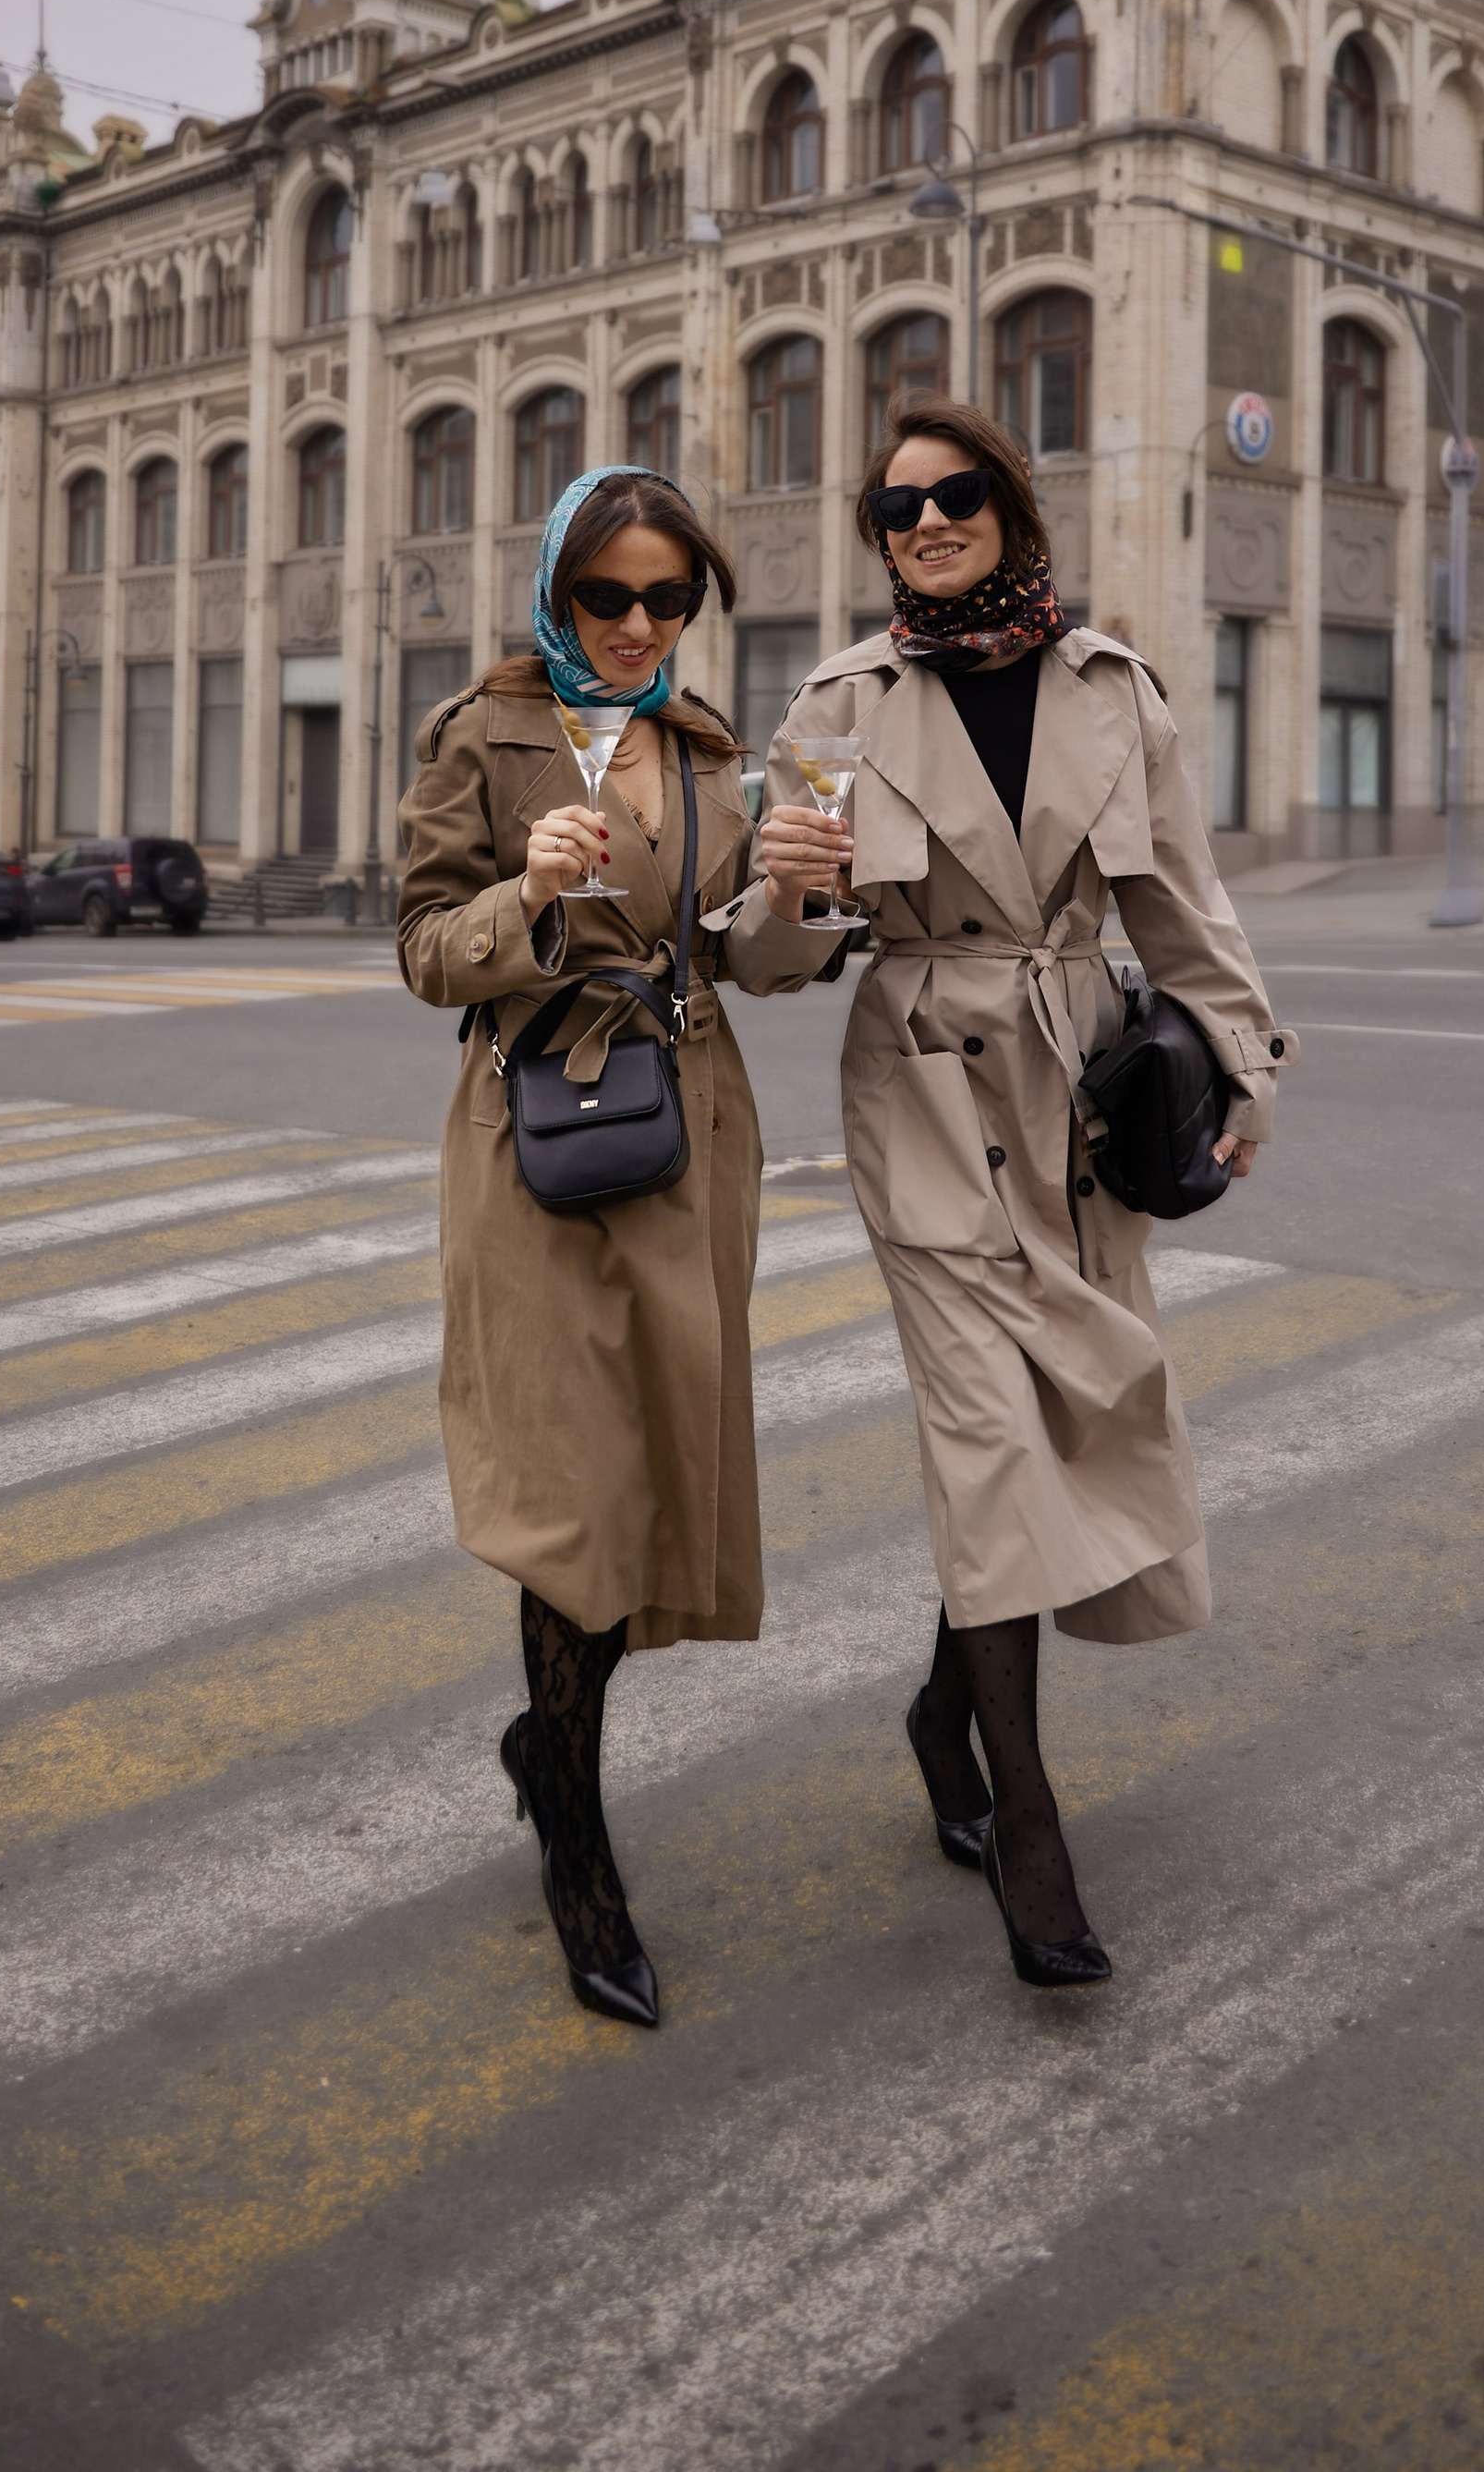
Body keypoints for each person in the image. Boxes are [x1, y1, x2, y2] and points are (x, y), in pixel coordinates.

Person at [771, 399, 1294, 1987]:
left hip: (1076, 1093)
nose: (924, 523)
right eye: (895, 507)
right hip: (924, 1093)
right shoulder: (840, 702)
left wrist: (1250, 1068)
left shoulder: (1111, 689)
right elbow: (772, 955)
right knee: (986, 1442)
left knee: (1062, 1419)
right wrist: (789, 888)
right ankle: (1030, 1817)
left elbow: (1182, 907)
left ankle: (944, 1710)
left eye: (954, 496)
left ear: (1013, 507)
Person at [398, 465, 847, 2027]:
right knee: (572, 1493)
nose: (644, 626)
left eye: (672, 599)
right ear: (556, 594)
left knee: (653, 1475)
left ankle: (549, 1741)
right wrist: (525, 890)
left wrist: (800, 901)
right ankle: (577, 1844)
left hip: (684, 1138)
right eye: (613, 598)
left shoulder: (705, 749)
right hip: (535, 1140)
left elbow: (752, 960)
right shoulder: (485, 736)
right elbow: (423, 954)